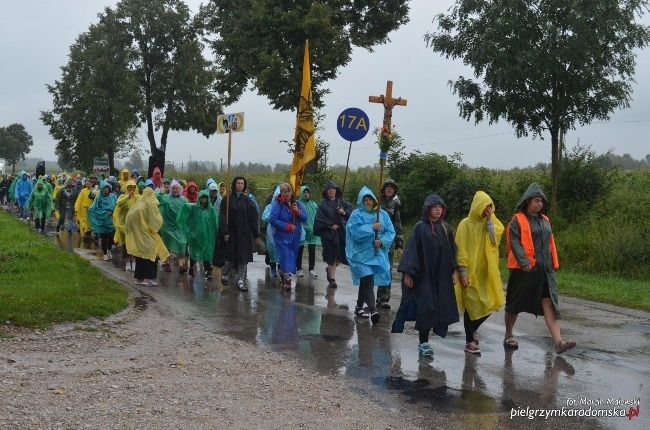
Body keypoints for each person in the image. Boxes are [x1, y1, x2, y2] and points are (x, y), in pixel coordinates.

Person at [503, 183, 576, 354]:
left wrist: (551, 265)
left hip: (544, 271)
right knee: (514, 304)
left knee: (549, 303)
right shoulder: (517, 220)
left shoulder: (545, 220)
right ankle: (508, 335)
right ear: (528, 201)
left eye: (542, 201)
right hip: (523, 271)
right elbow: (514, 242)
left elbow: (549, 244)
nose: (540, 204)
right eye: (537, 201)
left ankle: (559, 342)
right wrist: (524, 261)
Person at [391, 193, 460, 357]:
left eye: (440, 207)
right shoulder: (420, 228)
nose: (438, 209)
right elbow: (412, 251)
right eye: (434, 207)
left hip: (441, 276)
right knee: (426, 306)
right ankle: (423, 342)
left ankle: (428, 337)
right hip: (424, 275)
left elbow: (451, 252)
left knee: (439, 306)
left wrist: (454, 271)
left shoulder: (446, 229)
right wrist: (408, 273)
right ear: (427, 209)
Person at [455, 191, 505, 354]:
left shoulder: (491, 222)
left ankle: (472, 330)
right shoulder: (465, 224)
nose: (487, 210)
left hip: (486, 273)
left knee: (491, 303)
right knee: (471, 306)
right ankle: (469, 340)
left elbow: (494, 240)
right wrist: (462, 272)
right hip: (469, 273)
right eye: (484, 206)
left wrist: (489, 220)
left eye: (489, 207)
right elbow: (460, 249)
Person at [346, 186, 395, 325]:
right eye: (365, 200)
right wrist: (370, 228)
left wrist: (382, 241)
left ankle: (359, 307)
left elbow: (390, 231)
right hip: (360, 255)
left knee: (365, 281)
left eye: (370, 199)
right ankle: (373, 311)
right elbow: (354, 232)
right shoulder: (356, 214)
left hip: (375, 255)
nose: (368, 202)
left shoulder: (382, 214)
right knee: (368, 280)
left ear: (374, 200)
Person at [219, 176, 260, 291]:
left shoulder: (248, 201)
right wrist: (225, 231)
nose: (240, 185)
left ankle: (241, 280)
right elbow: (222, 216)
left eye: (242, 184)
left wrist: (256, 234)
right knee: (231, 256)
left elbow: (254, 217)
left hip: (245, 233)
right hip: (232, 232)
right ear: (234, 184)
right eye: (238, 183)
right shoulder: (227, 199)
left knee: (243, 257)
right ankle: (225, 272)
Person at [125, 187, 170, 286]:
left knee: (141, 255)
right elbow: (156, 221)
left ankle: (139, 278)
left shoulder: (137, 205)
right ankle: (148, 279)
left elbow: (128, 220)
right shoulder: (150, 204)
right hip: (147, 234)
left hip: (138, 235)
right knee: (151, 255)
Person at [313, 180, 352, 288]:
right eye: (329, 189)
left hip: (341, 234)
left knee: (340, 256)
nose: (331, 190)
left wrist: (343, 212)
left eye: (333, 188)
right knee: (332, 257)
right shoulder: (322, 205)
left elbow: (351, 213)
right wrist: (330, 225)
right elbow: (319, 220)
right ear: (326, 191)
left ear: (336, 190)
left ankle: (330, 269)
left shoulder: (342, 202)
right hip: (328, 235)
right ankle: (332, 280)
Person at [269, 183, 307, 291]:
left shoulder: (297, 204)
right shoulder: (278, 204)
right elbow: (273, 219)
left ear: (292, 192)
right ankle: (287, 279)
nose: (287, 194)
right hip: (281, 236)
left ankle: (283, 274)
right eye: (284, 192)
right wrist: (287, 226)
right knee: (285, 256)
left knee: (291, 257)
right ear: (281, 193)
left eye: (288, 191)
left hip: (295, 235)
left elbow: (304, 218)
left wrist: (297, 212)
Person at [177, 189, 219, 280]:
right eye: (202, 197)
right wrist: (190, 230)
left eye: (205, 197)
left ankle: (207, 271)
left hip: (207, 235)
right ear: (199, 198)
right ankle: (191, 269)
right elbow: (187, 217)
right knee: (194, 252)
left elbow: (214, 221)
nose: (203, 199)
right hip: (195, 235)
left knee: (207, 252)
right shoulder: (194, 208)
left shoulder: (210, 209)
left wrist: (216, 232)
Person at [376, 179, 404, 310]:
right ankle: (366, 297)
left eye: (392, 188)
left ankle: (382, 299)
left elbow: (397, 224)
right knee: (371, 269)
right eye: (387, 187)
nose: (389, 189)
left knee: (387, 269)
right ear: (383, 188)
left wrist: (399, 244)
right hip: (374, 239)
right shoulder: (376, 201)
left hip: (388, 241)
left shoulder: (395, 204)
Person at [158, 180, 188, 274]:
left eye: (177, 188)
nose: (175, 190)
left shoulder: (183, 200)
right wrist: (161, 192)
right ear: (171, 189)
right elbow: (157, 198)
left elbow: (188, 210)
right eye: (173, 188)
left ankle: (181, 266)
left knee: (182, 244)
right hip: (167, 227)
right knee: (166, 246)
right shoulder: (166, 198)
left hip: (179, 227)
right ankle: (167, 264)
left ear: (180, 190)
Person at [296, 185, 321, 278]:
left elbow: (317, 216)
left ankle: (311, 269)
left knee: (312, 250)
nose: (306, 194)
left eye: (308, 192)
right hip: (302, 229)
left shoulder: (313, 204)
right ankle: (298, 268)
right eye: (304, 192)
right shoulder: (298, 203)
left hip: (312, 230)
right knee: (300, 249)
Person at [88, 180, 117, 261]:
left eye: (107, 188)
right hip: (102, 221)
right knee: (104, 237)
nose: (106, 190)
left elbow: (117, 206)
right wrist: (104, 213)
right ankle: (105, 254)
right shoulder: (98, 198)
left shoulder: (113, 196)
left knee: (111, 236)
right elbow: (93, 209)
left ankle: (109, 250)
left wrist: (114, 212)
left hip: (111, 221)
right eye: (105, 188)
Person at [113, 180, 139, 271]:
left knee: (134, 245)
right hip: (123, 225)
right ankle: (127, 263)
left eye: (133, 187)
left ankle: (134, 263)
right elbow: (118, 203)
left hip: (134, 226)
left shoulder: (137, 198)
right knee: (125, 246)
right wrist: (128, 196)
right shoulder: (122, 196)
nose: (131, 189)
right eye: (129, 187)